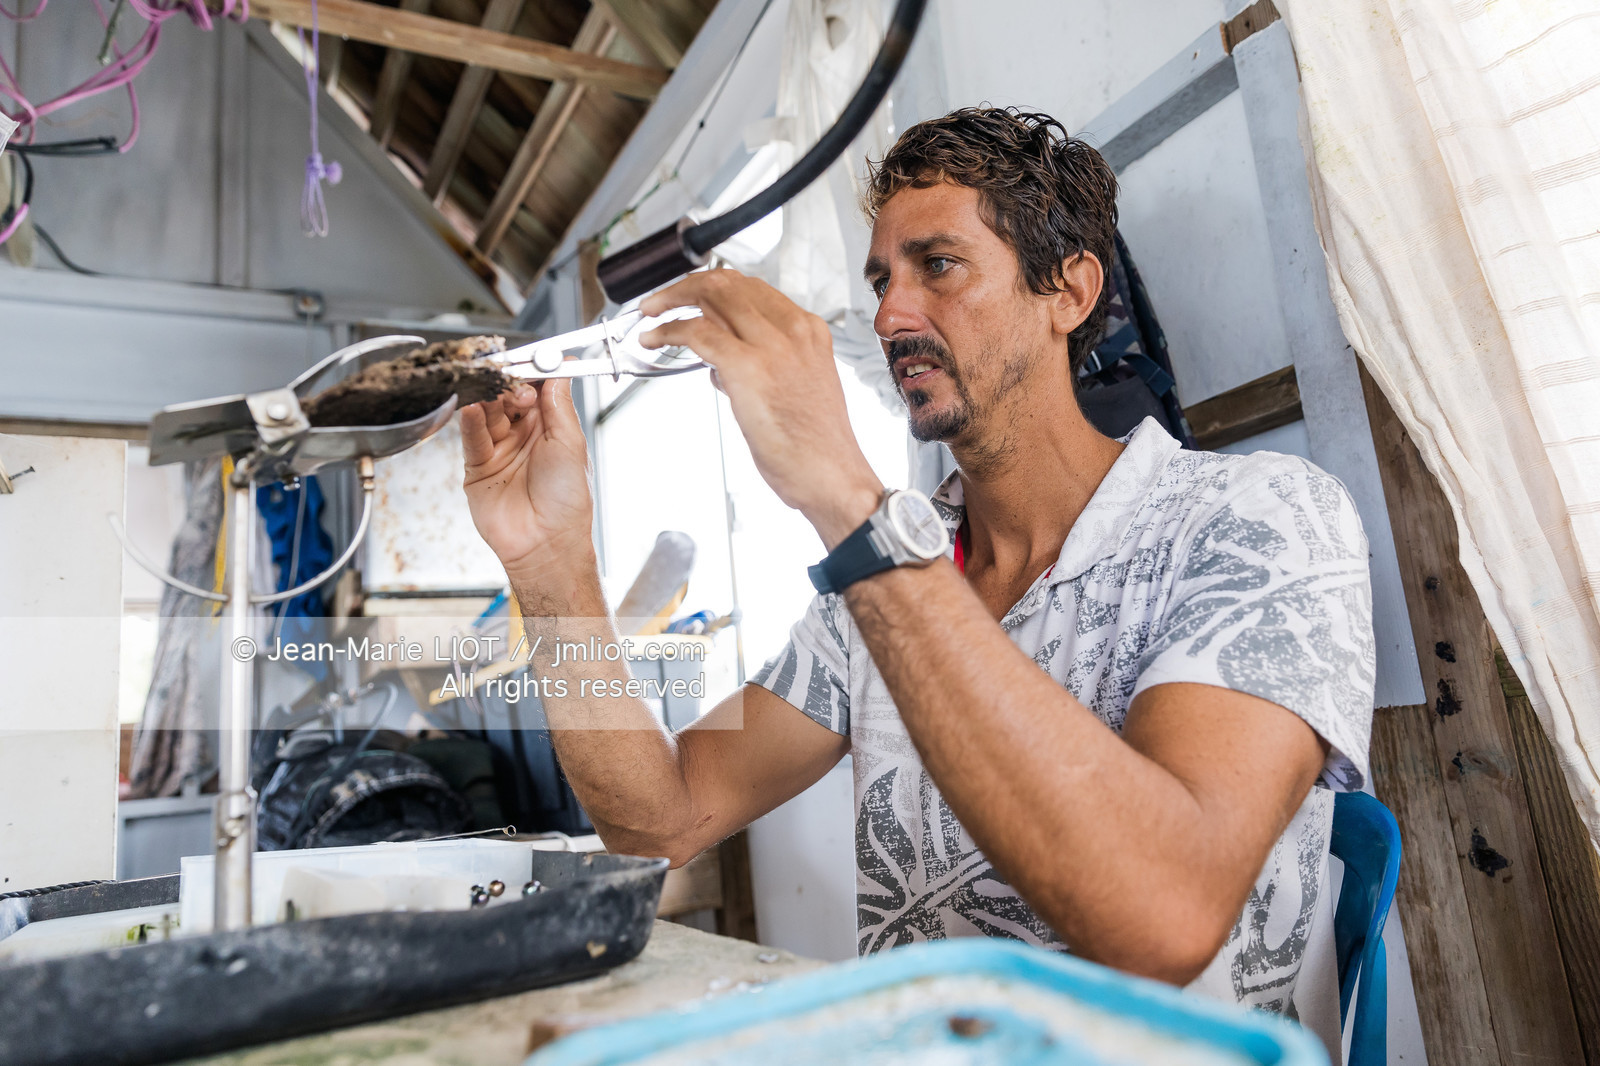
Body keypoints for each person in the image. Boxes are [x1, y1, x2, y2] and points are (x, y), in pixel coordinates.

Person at [460, 107, 1374, 1014]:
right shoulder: (875, 591)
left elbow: (1166, 916)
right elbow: (660, 820)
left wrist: (844, 495)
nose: (890, 315)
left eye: (938, 264)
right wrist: (550, 563)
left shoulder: (1258, 518)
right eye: (881, 280)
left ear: (1069, 291)